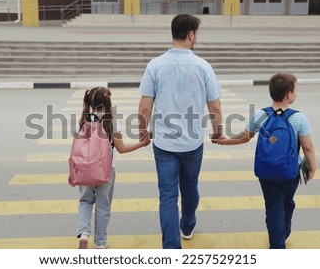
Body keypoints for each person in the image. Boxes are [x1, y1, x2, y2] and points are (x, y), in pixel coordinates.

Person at [138, 14, 223, 249]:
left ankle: (172, 250)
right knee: (190, 187)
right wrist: (218, 131)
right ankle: (187, 224)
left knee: (167, 196)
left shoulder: (155, 65)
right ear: (191, 34)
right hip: (193, 144)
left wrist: (142, 131)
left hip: (164, 144)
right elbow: (214, 105)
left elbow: (145, 105)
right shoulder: (203, 66)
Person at [213, 73, 317, 249]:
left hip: (266, 171)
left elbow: (244, 137)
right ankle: (279, 241)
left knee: (272, 205)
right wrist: (312, 168)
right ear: (288, 95)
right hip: (290, 171)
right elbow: (308, 147)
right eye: (295, 90)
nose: (296, 93)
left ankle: (277, 237)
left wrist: (225, 141)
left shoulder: (261, 115)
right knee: (287, 201)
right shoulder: (298, 118)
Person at [74, 87, 150, 249]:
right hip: (106, 170)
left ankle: (84, 233)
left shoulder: (83, 120)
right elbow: (121, 149)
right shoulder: (111, 121)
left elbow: (75, 148)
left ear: (89, 102)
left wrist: (73, 169)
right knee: (103, 205)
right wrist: (142, 143)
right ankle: (100, 243)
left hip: (84, 170)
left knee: (85, 201)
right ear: (108, 102)